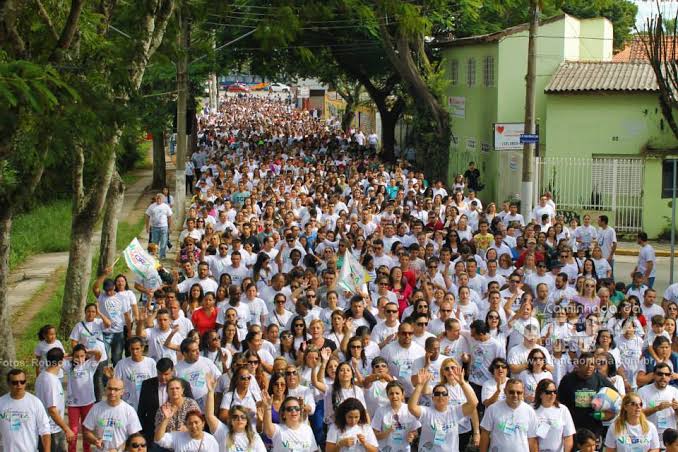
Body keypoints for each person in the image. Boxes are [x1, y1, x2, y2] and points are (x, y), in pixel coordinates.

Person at [408, 368, 478, 452]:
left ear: (448, 398)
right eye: (437, 394)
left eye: (444, 394)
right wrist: (419, 385)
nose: (441, 396)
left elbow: (473, 404)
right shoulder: (426, 412)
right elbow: (411, 407)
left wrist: (462, 383)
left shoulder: (455, 411)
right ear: (432, 398)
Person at [558, 352, 617, 442]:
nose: (590, 367)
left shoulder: (599, 378)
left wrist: (605, 413)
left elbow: (616, 397)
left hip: (594, 428)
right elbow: (559, 403)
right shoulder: (567, 380)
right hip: (573, 427)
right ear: (579, 364)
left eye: (592, 364)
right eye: (586, 364)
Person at [136, 358, 193, 445]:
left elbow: (192, 410)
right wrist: (142, 432)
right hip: (153, 434)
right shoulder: (147, 385)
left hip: (178, 435)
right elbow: (141, 410)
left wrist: (186, 426)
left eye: (166, 374)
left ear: (173, 371)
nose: (163, 377)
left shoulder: (183, 384)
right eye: (160, 374)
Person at [83, 377, 142, 452]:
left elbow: (135, 437)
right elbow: (86, 432)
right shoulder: (96, 408)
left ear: (122, 392)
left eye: (116, 389)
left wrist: (118, 449)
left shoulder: (129, 410)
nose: (112, 392)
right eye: (110, 389)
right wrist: (95, 441)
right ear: (105, 389)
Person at [479, 379, 539, 452]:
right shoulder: (493, 409)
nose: (515, 395)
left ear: (523, 392)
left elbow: (532, 440)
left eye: (519, 392)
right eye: (511, 392)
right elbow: (485, 435)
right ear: (505, 391)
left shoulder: (530, 411)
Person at [0, 369, 51, 452]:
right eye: (15, 382)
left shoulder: (35, 402)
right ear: (8, 384)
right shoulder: (1, 403)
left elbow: (45, 430)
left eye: (22, 382)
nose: (19, 385)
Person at [35, 348, 72, 452]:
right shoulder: (50, 381)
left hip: (48, 428)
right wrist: (67, 429)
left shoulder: (42, 375)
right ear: (61, 362)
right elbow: (52, 410)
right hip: (52, 430)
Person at [371, 380, 420, 452]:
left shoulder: (409, 409)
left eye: (397, 393)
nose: (394, 396)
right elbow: (375, 436)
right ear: (387, 395)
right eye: (391, 393)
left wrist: (412, 436)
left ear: (403, 394)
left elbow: (415, 432)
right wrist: (389, 431)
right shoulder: (380, 411)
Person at [638, 362, 678, 448]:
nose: (663, 377)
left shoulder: (675, 391)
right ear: (654, 375)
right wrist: (656, 408)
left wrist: (677, 409)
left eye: (667, 374)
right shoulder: (642, 391)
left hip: (670, 438)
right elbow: (638, 414)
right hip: (649, 436)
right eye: (660, 374)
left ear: (670, 377)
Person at [532, 379, 576, 452]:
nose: (552, 394)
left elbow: (568, 436)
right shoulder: (531, 410)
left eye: (554, 392)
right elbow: (530, 438)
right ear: (540, 394)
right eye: (548, 392)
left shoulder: (563, 409)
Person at [154, 407, 219, 451]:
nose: (193, 426)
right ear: (186, 425)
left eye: (196, 422)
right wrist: (166, 419)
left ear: (203, 424)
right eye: (190, 423)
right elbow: (158, 439)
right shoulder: (178, 437)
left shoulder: (210, 440)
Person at [145, 193, 173, 259]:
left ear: (163, 199)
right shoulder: (152, 206)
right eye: (157, 198)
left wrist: (170, 227)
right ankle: (154, 255)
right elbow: (147, 215)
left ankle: (162, 256)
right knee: (154, 242)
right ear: (156, 199)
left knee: (164, 242)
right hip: (154, 227)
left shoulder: (166, 206)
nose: (158, 200)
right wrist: (147, 226)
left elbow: (170, 216)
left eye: (160, 198)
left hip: (164, 227)